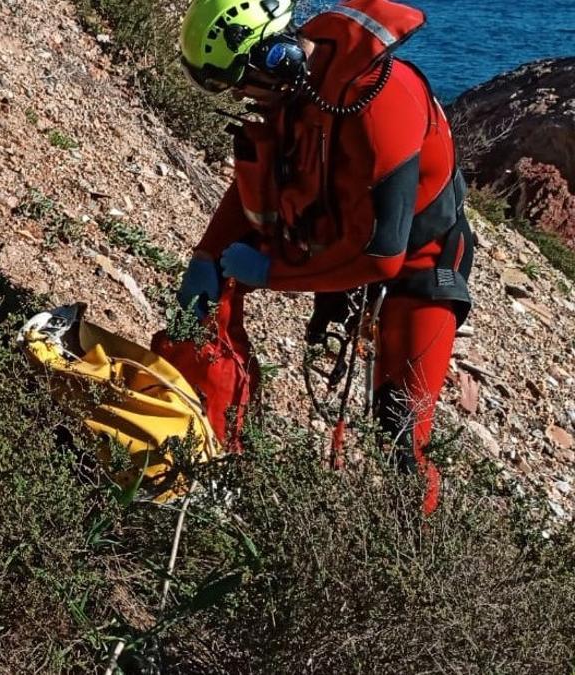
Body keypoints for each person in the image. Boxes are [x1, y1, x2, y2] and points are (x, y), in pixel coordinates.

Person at [175, 0, 474, 515]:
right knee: (210, 307)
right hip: (338, 236)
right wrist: (208, 254)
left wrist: (276, 274)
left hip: (419, 266)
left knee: (401, 432)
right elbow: (263, 179)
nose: (243, 97)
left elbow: (381, 256)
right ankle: (217, 463)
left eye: (242, 82)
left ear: (276, 59)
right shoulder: (300, 89)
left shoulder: (385, 103)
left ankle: (416, 563)